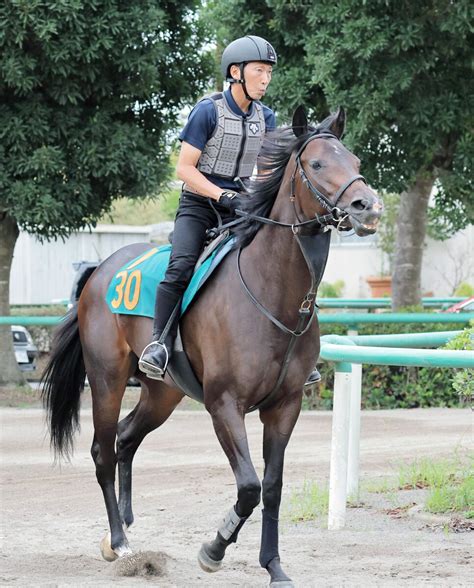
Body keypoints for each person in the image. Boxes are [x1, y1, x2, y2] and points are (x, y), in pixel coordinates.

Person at [138, 35, 321, 387]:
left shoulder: (266, 116)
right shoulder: (208, 110)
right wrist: (222, 196)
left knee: (281, 261)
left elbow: (267, 169)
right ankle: (159, 343)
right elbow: (184, 169)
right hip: (200, 203)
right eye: (259, 71)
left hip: (243, 202)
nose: (266, 79)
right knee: (180, 267)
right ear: (236, 72)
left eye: (269, 72)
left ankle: (299, 352)